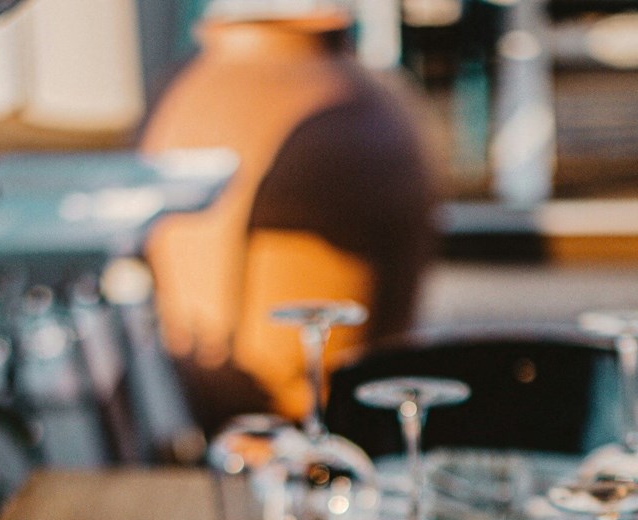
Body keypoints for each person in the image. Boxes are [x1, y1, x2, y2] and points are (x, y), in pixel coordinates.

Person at [141, 1, 441, 437]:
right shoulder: (370, 98)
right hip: (234, 411)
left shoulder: (365, 96)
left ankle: (324, 436)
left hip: (351, 413)